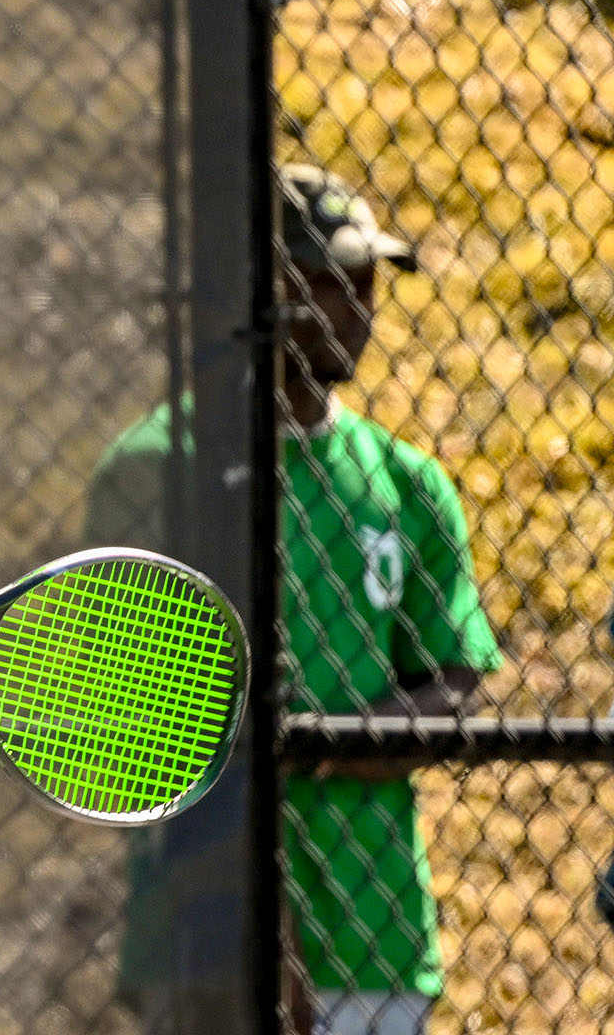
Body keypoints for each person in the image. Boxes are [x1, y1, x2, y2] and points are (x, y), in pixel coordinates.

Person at [88, 164, 500, 1035]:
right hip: (205, 939)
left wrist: (318, 744)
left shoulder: (408, 482)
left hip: (377, 935)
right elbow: (134, 725)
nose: (356, 308)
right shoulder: (157, 468)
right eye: (324, 281)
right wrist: (263, 920)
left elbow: (455, 680)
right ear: (256, 289)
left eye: (367, 283)